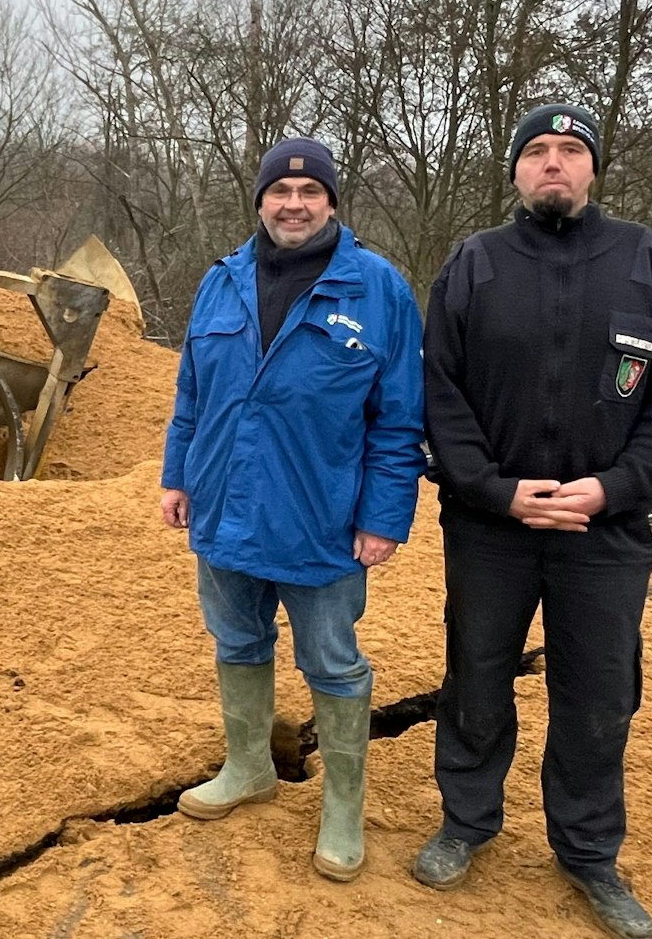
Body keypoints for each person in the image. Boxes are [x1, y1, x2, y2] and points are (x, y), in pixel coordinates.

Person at [416, 104, 652, 938]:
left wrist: (615, 487)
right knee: (476, 672)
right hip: (490, 525)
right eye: (536, 150)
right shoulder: (475, 263)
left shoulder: (647, 261)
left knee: (599, 692)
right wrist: (494, 487)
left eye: (570, 150)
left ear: (593, 168)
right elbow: (441, 390)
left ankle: (587, 852)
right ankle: (466, 820)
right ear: (515, 170)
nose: (553, 163)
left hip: (602, 534)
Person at [160, 138, 425, 881]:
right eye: (280, 192)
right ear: (261, 202)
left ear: (333, 203)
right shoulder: (222, 282)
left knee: (333, 662)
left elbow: (400, 419)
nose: (294, 204)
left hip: (322, 518)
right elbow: (192, 394)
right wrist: (177, 476)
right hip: (224, 506)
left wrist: (383, 516)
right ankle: (249, 767)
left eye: (311, 193)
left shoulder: (378, 290)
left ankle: (343, 803)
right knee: (236, 638)